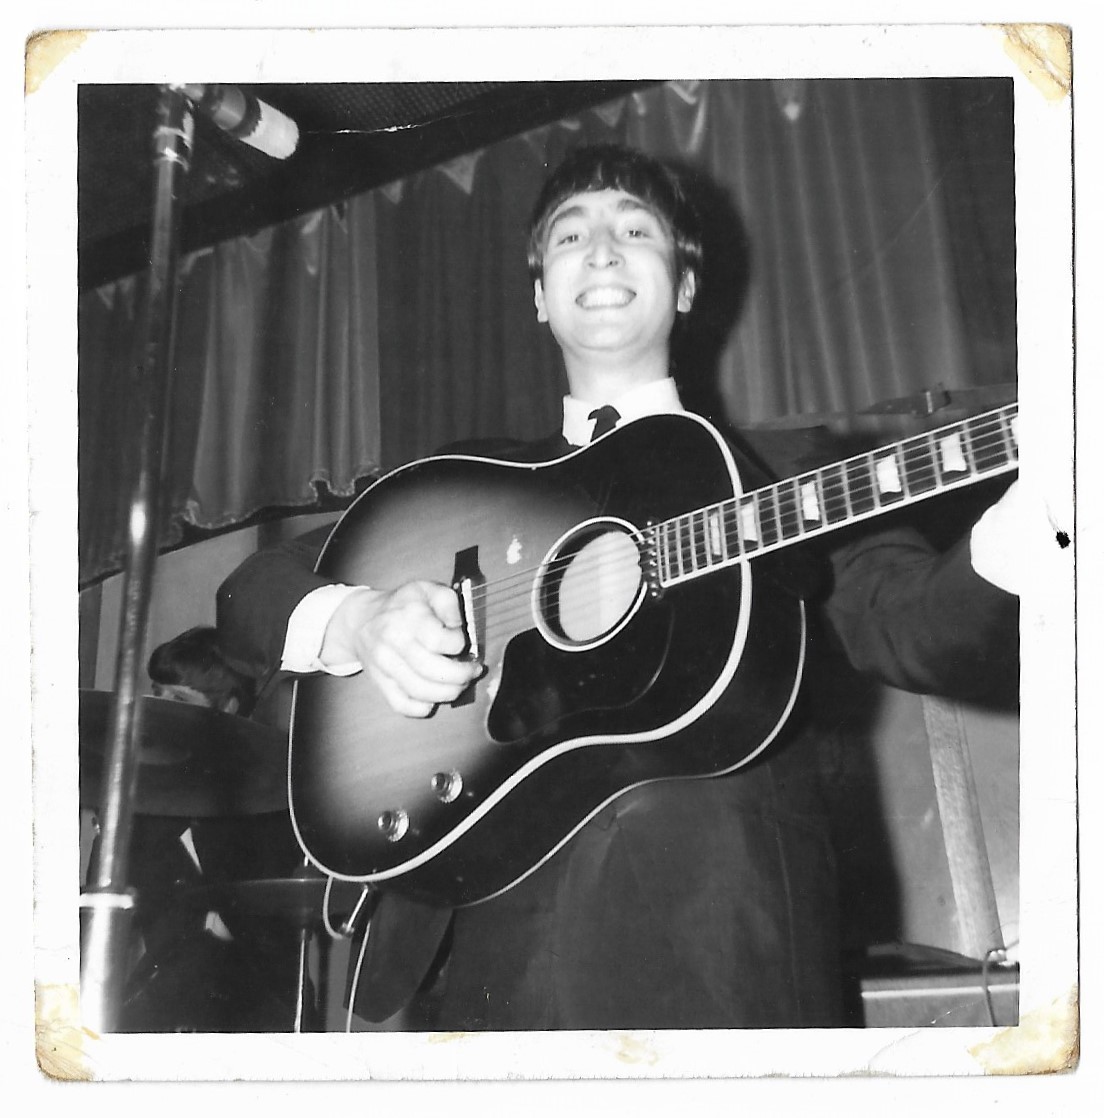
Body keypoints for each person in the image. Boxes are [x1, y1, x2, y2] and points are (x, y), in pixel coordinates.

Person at [216, 144, 1020, 1030]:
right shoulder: (456, 490)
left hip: (715, 939)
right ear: (538, 297)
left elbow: (917, 624)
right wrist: (362, 623)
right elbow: (255, 590)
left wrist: (1037, 523)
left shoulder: (781, 477)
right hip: (483, 946)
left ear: (682, 287)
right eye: (570, 235)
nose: (601, 249)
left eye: (636, 229)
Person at [119, 626, 303, 1031]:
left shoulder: (267, 793)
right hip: (159, 998)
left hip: (254, 1005)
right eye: (156, 692)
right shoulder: (139, 802)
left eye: (180, 700)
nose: (158, 708)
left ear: (229, 709)